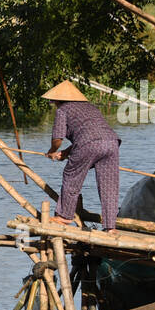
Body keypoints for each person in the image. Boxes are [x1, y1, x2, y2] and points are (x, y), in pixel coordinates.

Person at [43, 81, 122, 232]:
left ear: (59, 100)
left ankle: (64, 216)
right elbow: (91, 134)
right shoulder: (90, 107)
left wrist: (52, 151)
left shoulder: (63, 110)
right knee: (109, 185)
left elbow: (57, 138)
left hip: (89, 144)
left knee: (71, 175)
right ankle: (110, 226)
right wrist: (66, 153)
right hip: (112, 143)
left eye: (54, 102)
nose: (54, 105)